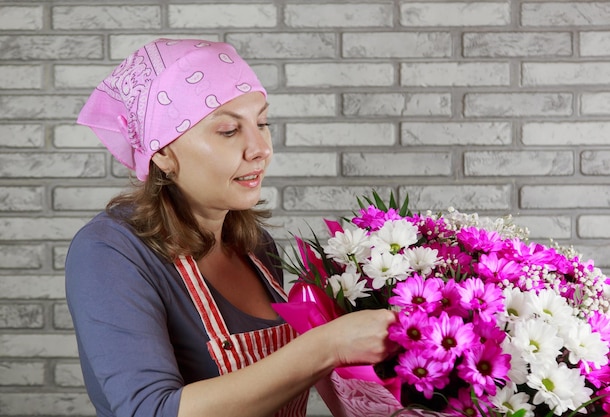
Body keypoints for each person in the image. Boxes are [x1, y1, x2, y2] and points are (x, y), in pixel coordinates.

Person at [65, 38, 396, 417]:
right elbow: (150, 410)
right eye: (228, 130)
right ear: (163, 153)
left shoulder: (256, 246)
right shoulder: (110, 251)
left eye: (262, 123)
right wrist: (327, 347)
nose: (260, 148)